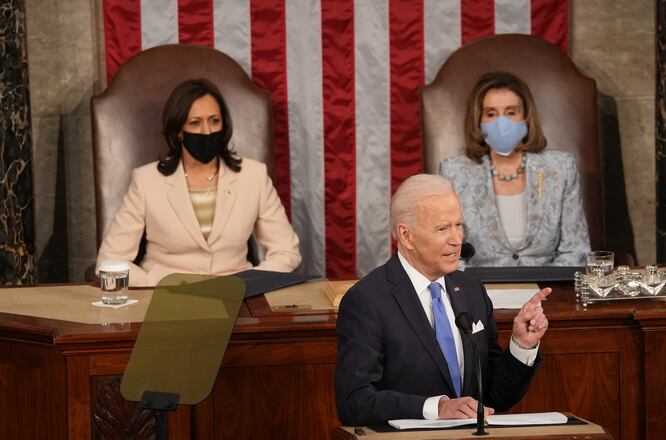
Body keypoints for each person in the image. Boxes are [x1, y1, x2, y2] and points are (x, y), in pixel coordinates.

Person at [335, 174, 550, 426]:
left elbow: (495, 396)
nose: (457, 239)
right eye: (442, 228)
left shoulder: (470, 289)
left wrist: (522, 345)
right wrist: (435, 408)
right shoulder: (367, 301)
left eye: (458, 225)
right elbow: (354, 401)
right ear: (406, 236)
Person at [96, 78, 301, 286]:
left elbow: (287, 251)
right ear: (178, 132)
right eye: (195, 123)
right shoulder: (146, 181)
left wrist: (250, 283)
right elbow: (109, 260)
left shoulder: (254, 176)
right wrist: (156, 284)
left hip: (235, 298)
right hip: (166, 300)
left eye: (214, 121)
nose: (207, 131)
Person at [439, 71, 590, 267]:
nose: (502, 123)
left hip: (548, 290)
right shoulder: (454, 172)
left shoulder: (560, 168)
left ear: (526, 117)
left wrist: (544, 290)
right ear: (478, 121)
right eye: (491, 114)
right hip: (480, 290)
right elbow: (449, 253)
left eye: (511, 112)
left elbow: (576, 250)